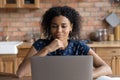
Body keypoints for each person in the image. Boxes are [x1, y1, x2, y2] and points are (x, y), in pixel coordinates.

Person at [16, 6, 112, 79]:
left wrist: (86, 75)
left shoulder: (79, 46)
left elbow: (107, 69)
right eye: (54, 26)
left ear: (71, 27)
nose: (59, 30)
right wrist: (47, 49)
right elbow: (20, 73)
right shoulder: (40, 45)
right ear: (50, 28)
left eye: (64, 26)